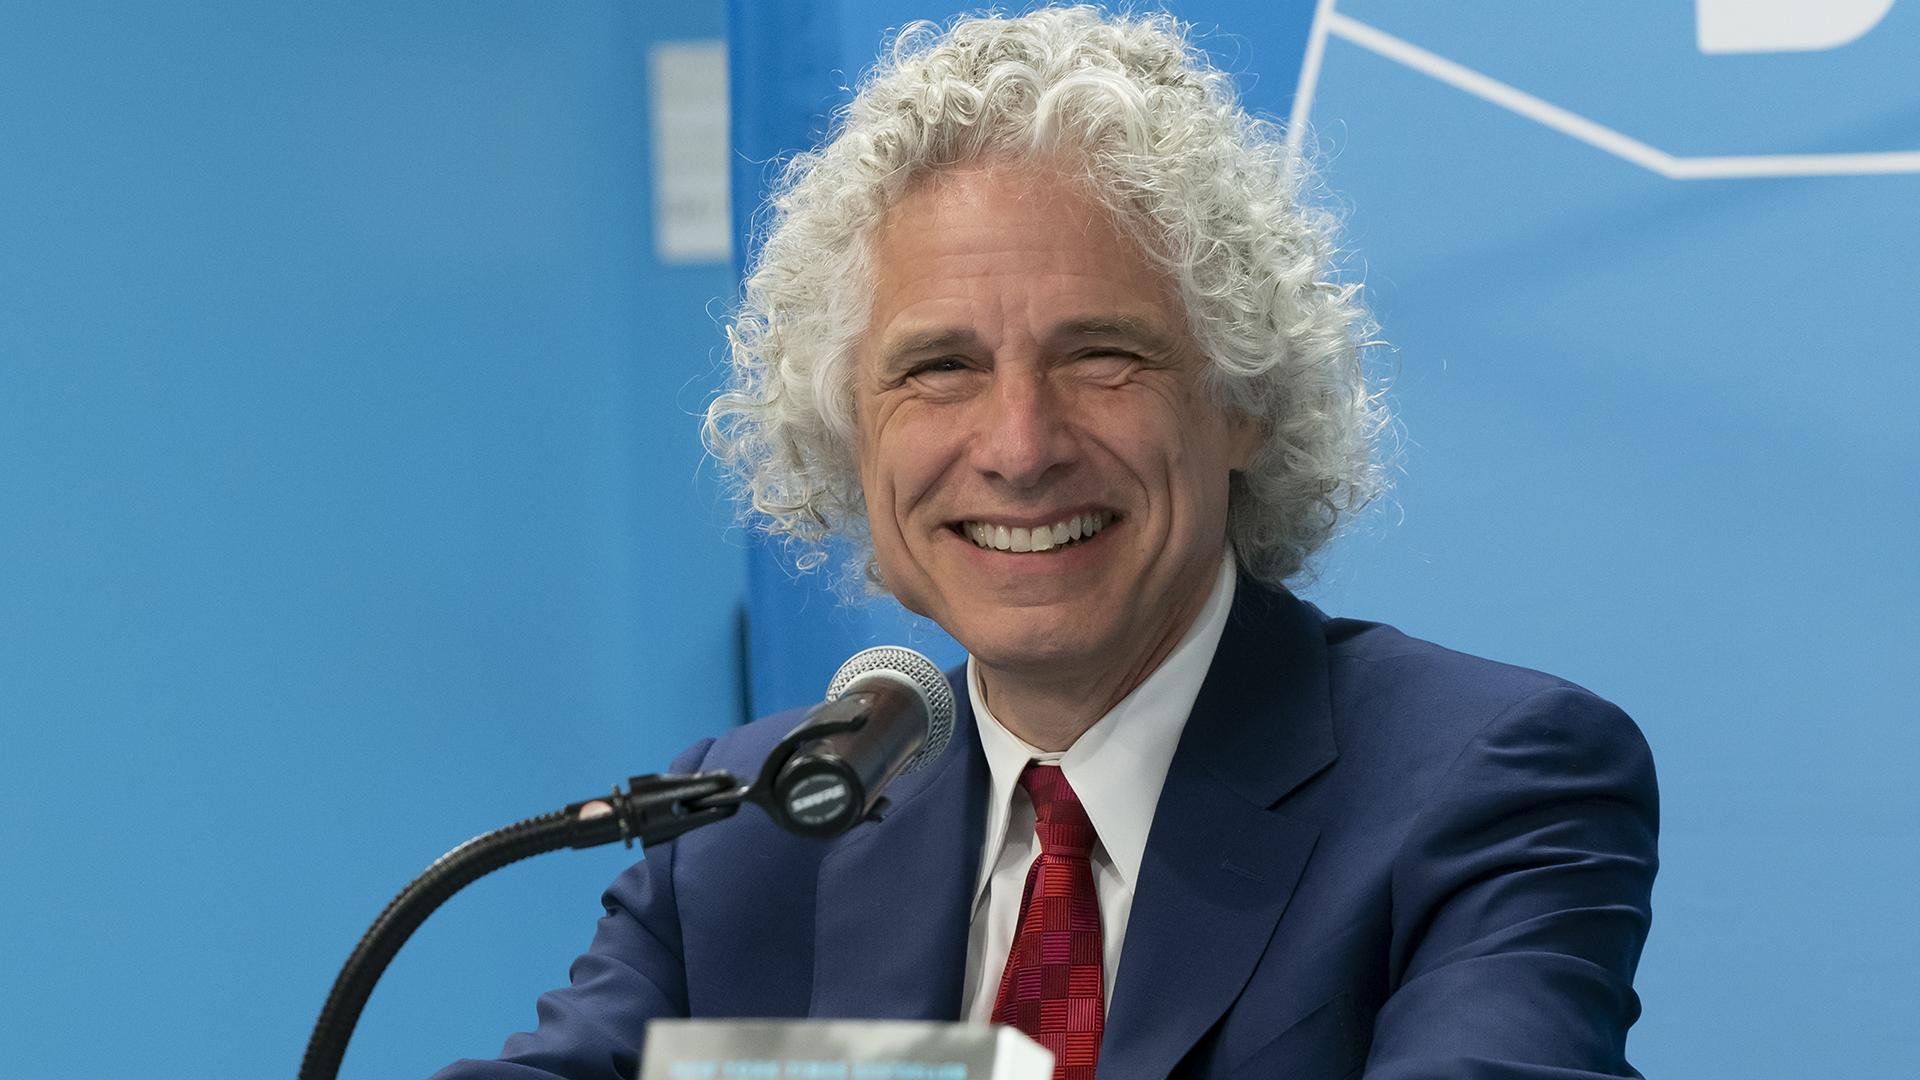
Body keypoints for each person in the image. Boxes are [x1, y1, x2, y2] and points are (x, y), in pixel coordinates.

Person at [433, 7, 1656, 1079]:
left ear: (1239, 401)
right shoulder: (754, 833)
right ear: (845, 440)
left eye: (1100, 354)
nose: (1020, 445)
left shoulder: (1488, 782)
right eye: (939, 368)